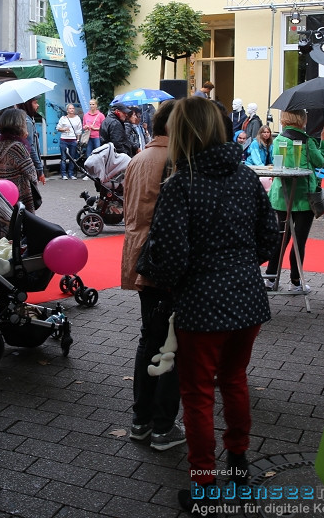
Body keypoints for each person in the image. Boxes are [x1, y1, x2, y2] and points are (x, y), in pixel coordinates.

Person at [139, 97, 277, 510]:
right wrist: (235, 263)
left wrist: (174, 276)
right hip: (247, 300)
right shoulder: (247, 178)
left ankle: (204, 486)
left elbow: (171, 259)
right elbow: (270, 240)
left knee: (197, 394)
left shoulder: (182, 184)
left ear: (183, 133)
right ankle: (238, 465)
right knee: (233, 380)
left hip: (201, 304)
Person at [120, 100, 184, 452]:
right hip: (164, 259)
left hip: (139, 256)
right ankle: (161, 425)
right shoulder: (174, 161)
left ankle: (140, 420)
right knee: (171, 344)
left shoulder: (139, 158)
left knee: (150, 338)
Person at [265, 110, 324, 291]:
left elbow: (278, 164)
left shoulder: (278, 140)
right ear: (302, 119)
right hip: (303, 198)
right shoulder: (308, 141)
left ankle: (270, 278)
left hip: (281, 197)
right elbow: (319, 161)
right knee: (299, 240)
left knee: (280, 238)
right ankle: (295, 281)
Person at [0, 108, 38, 212]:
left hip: (1, 198)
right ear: (18, 125)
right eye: (24, 122)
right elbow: (32, 175)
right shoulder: (18, 147)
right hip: (19, 199)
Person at [19, 97, 46, 184]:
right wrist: (39, 168)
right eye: (35, 103)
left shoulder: (23, 119)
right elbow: (30, 146)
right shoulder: (27, 121)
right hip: (29, 164)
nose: (37, 105)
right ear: (27, 105)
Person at [56, 103, 82, 180]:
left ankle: (71, 174)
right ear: (67, 110)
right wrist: (64, 129)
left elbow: (79, 130)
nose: (72, 110)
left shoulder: (77, 118)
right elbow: (58, 128)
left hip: (73, 140)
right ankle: (63, 174)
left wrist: (77, 140)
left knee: (72, 158)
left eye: (73, 108)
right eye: (70, 108)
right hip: (64, 139)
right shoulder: (63, 118)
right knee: (63, 158)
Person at [82, 98, 105, 164]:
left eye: (93, 104)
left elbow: (104, 127)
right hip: (88, 137)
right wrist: (85, 127)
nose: (91, 106)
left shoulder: (100, 115)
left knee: (98, 154)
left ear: (96, 105)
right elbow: (83, 126)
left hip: (97, 137)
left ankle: (98, 169)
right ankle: (89, 170)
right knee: (88, 154)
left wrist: (95, 128)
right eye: (90, 104)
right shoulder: (86, 115)